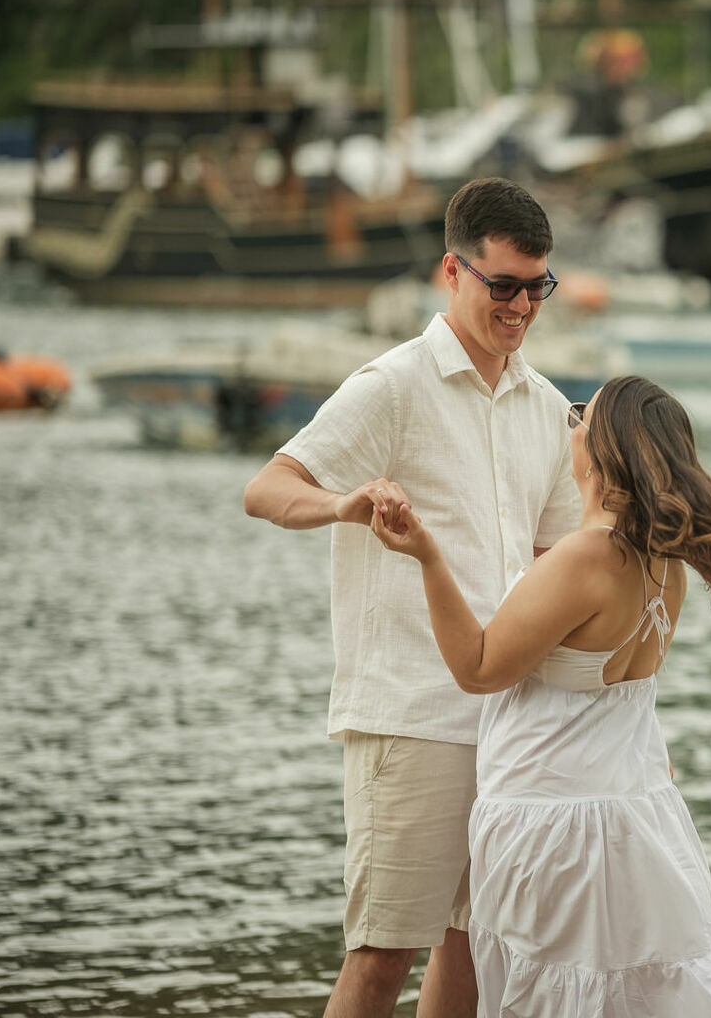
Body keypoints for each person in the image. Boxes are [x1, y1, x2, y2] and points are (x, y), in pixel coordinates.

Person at [365, 374, 711, 1018]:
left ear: (605, 451)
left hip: (555, 824)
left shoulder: (584, 558)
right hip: (635, 818)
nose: (571, 428)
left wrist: (428, 557)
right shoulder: (665, 567)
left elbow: (476, 667)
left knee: (560, 999)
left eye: (582, 416)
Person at [242, 177, 581, 1018]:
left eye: (536, 286)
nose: (521, 306)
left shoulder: (546, 405)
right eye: (502, 285)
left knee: (475, 947)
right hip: (411, 712)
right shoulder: (391, 385)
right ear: (452, 272)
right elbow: (267, 487)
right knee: (382, 953)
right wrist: (342, 504)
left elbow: (559, 561)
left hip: (513, 720)